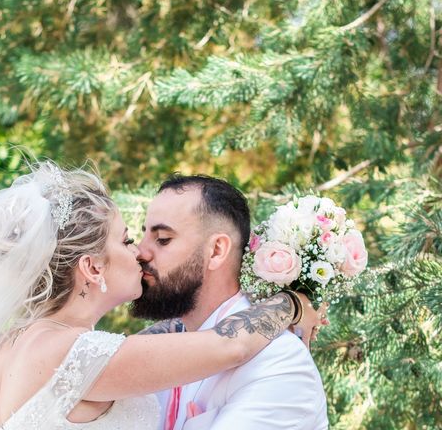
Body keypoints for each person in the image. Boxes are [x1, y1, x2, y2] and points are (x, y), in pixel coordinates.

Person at [0, 163, 317, 430]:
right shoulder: (82, 353)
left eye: (157, 239)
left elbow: (160, 343)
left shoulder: (4, 351)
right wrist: (295, 303)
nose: (140, 253)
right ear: (91, 266)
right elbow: (227, 345)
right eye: (127, 239)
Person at [131, 174, 329, 430]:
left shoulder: (279, 363)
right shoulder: (157, 350)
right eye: (143, 235)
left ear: (216, 251)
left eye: (163, 239)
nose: (139, 251)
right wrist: (291, 303)